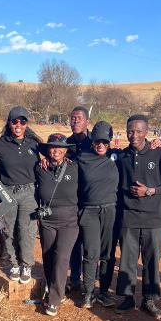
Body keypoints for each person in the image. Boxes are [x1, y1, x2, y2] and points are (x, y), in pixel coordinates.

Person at [115, 115, 161, 319]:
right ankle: (127, 298)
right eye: (130, 131)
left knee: (151, 260)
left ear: (146, 132)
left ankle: (149, 299)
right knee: (127, 260)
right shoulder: (122, 156)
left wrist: (150, 191)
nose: (134, 135)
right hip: (129, 216)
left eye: (138, 131)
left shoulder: (159, 154)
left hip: (154, 218)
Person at [0, 106, 40, 284]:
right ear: (9, 123)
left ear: (27, 124)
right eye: (15, 121)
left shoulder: (34, 144)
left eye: (22, 121)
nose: (18, 125)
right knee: (8, 230)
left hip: (29, 192)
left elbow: (54, 154)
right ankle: (14, 264)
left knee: (27, 231)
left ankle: (26, 264)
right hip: (7, 192)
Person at [35, 134, 79, 316]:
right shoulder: (40, 168)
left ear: (66, 150)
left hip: (69, 221)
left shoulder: (74, 167)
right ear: (47, 150)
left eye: (61, 147)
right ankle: (51, 284)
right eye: (53, 147)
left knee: (61, 257)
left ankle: (54, 299)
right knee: (48, 256)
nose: (57, 150)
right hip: (47, 220)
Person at [77, 121, 119, 308]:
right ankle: (88, 292)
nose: (101, 145)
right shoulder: (81, 158)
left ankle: (103, 292)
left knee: (107, 254)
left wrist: (155, 143)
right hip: (89, 211)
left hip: (110, 211)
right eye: (97, 142)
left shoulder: (117, 156)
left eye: (105, 142)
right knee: (91, 253)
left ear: (110, 142)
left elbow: (139, 152)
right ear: (92, 141)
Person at [66, 106, 92, 291]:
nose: (75, 121)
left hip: (91, 200)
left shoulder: (95, 143)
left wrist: (153, 142)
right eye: (72, 118)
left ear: (87, 122)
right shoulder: (66, 144)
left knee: (90, 243)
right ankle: (75, 278)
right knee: (74, 241)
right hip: (72, 200)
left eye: (79, 118)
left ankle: (90, 282)